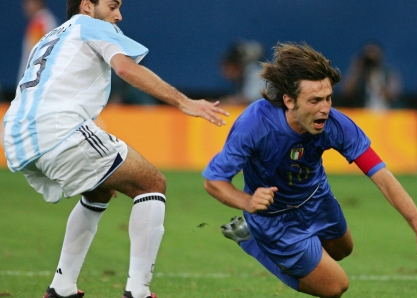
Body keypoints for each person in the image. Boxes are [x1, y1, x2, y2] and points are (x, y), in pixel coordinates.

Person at [3, 1, 229, 298]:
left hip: (16, 134)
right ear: (87, 5)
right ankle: (138, 291)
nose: (118, 15)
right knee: (152, 183)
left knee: (97, 190)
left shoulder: (51, 36)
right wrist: (184, 102)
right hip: (58, 128)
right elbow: (125, 67)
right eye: (112, 5)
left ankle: (61, 288)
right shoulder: (91, 25)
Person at [202, 42, 417, 297]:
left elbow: (383, 177)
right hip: (274, 217)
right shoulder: (254, 125)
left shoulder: (336, 124)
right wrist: (248, 201)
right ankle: (252, 240)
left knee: (343, 250)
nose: (325, 108)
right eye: (314, 100)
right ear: (289, 100)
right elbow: (213, 181)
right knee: (335, 287)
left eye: (328, 98)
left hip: (316, 198)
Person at [337, 41, 403, 110]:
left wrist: (376, 78)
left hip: (386, 114)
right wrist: (356, 69)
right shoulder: (359, 74)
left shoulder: (389, 73)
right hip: (363, 114)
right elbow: (346, 93)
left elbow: (392, 96)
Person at [18, 0, 58, 81]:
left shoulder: (42, 22)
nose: (26, 6)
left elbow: (37, 55)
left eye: (28, 3)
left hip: (35, 80)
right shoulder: (39, 21)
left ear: (38, 2)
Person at [219, 40, 266, 105]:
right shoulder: (241, 78)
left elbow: (253, 100)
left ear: (236, 66)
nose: (226, 74)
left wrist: (227, 102)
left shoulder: (255, 72)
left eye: (228, 69)